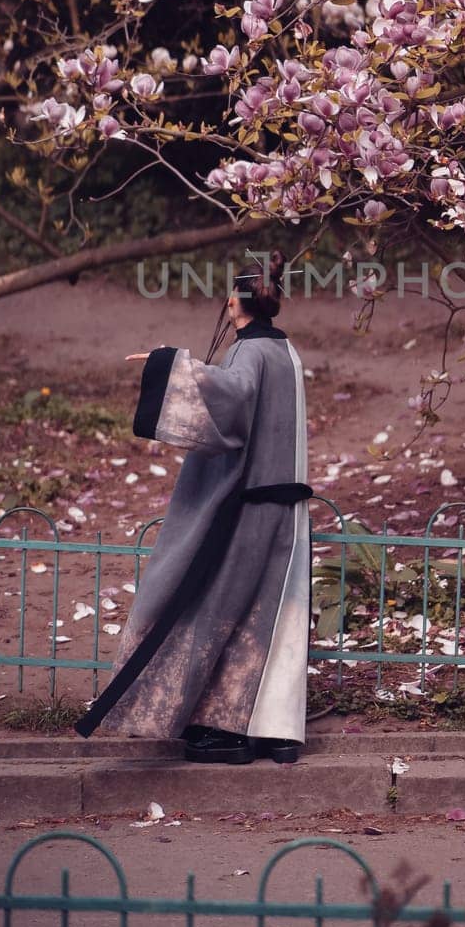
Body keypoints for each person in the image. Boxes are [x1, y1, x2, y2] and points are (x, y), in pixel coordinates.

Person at [76, 251, 312, 763]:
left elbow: (231, 397)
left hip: (252, 509)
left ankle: (227, 728)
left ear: (235, 303)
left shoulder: (249, 354)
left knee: (220, 609)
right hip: (287, 508)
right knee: (272, 619)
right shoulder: (288, 352)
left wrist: (167, 366)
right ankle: (274, 729)